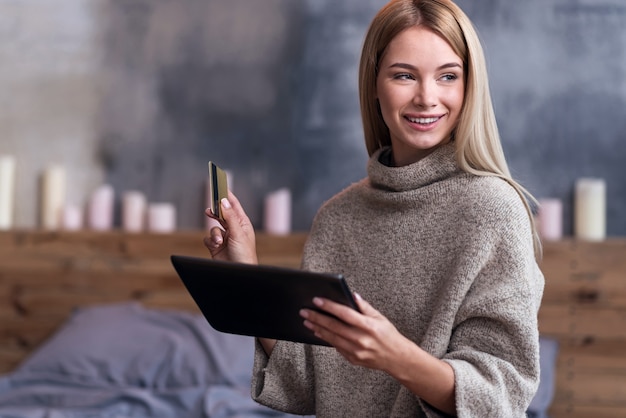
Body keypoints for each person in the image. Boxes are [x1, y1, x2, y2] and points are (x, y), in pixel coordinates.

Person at [204, 0, 544, 416]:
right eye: (405, 75)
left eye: (448, 77)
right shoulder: (338, 218)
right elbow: (306, 383)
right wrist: (245, 273)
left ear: (468, 87)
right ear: (373, 85)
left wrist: (395, 356)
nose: (427, 97)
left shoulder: (494, 210)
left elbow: (501, 395)